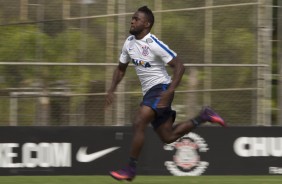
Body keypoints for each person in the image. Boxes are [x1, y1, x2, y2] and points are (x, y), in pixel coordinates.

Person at [105, 6, 226, 181]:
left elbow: (179, 66)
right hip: (151, 93)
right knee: (168, 137)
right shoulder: (129, 42)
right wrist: (112, 89)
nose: (132, 21)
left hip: (160, 88)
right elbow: (121, 69)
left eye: (136, 19)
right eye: (132, 18)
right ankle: (204, 116)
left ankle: (130, 169)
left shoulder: (154, 44)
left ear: (147, 24)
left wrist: (169, 91)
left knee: (139, 121)